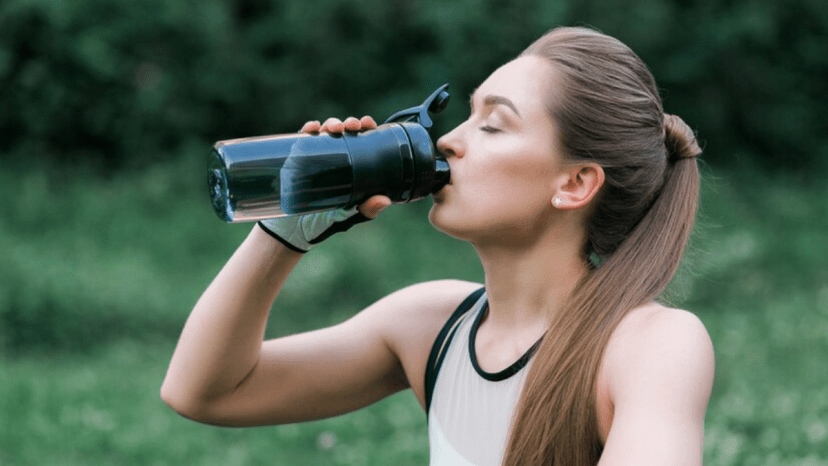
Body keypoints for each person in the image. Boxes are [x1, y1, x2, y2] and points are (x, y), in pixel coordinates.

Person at [161, 26, 714, 465]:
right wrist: (283, 230)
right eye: (468, 115)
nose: (448, 140)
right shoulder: (431, 325)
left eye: (493, 125)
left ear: (574, 184)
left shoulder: (649, 346)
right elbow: (205, 391)